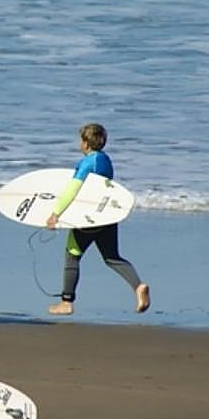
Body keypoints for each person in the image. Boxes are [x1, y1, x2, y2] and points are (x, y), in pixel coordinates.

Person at [45, 123, 150, 316]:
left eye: (80, 140)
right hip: (108, 215)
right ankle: (138, 286)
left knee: (72, 254)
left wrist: (56, 214)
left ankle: (66, 302)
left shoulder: (87, 163)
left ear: (86, 143)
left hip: (89, 219)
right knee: (112, 257)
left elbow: (72, 190)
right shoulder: (105, 160)